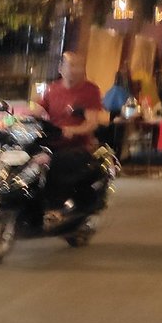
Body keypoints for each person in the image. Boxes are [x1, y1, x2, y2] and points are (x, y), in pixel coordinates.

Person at [36, 52, 105, 211]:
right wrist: (19, 117)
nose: (76, 70)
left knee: (57, 162)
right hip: (51, 141)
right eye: (71, 65)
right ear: (60, 68)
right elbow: (38, 109)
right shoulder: (52, 89)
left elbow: (91, 123)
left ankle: (55, 208)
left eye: (79, 66)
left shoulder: (90, 90)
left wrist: (73, 130)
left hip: (77, 146)